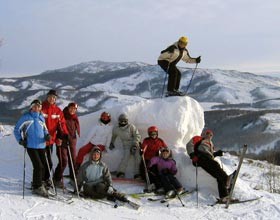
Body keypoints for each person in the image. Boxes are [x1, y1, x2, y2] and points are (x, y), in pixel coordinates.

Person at [14, 99, 51, 197]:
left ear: (40, 108)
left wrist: (47, 135)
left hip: (41, 145)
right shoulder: (26, 118)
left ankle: (38, 182)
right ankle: (37, 187)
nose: (36, 108)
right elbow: (17, 129)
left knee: (43, 165)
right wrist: (21, 140)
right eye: (34, 106)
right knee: (38, 165)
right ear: (31, 107)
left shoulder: (41, 118)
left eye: (38, 106)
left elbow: (45, 130)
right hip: (31, 145)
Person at [190, 129, 234, 202]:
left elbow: (210, 155)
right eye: (207, 134)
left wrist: (217, 153)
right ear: (204, 134)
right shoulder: (199, 139)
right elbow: (189, 145)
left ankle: (224, 197)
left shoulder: (211, 144)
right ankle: (227, 179)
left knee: (218, 176)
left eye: (211, 135)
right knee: (216, 164)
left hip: (207, 159)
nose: (209, 135)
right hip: (200, 157)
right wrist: (192, 155)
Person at [41, 89, 68, 187]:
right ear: (47, 97)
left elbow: (62, 125)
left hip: (51, 141)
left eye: (54, 97)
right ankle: (41, 180)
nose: (52, 99)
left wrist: (62, 136)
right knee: (44, 162)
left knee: (48, 162)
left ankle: (45, 179)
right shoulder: (41, 108)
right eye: (50, 96)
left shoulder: (57, 111)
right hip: (40, 140)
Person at [53, 102, 80, 188]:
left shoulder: (74, 118)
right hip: (61, 141)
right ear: (68, 108)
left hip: (72, 141)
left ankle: (73, 178)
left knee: (73, 160)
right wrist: (60, 137)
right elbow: (57, 127)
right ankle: (56, 179)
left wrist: (73, 138)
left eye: (74, 109)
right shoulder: (62, 115)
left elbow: (74, 129)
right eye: (71, 108)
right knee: (63, 161)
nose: (72, 110)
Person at [109, 113, 141, 179]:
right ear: (119, 121)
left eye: (125, 121)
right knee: (126, 157)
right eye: (121, 121)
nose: (123, 122)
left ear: (127, 121)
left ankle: (137, 174)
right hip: (126, 145)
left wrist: (135, 145)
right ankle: (121, 172)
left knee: (138, 157)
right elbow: (113, 136)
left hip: (134, 143)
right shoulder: (116, 129)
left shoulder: (131, 127)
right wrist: (112, 143)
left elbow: (137, 135)